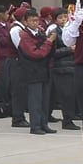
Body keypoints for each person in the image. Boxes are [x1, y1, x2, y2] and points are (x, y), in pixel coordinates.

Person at [13, 7, 56, 135]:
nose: (35, 23)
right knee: (35, 100)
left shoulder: (40, 32)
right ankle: (35, 125)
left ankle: (44, 123)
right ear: (25, 22)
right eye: (31, 21)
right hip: (32, 71)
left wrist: (50, 41)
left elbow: (49, 52)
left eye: (36, 20)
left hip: (44, 70)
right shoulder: (24, 35)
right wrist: (48, 42)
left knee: (44, 99)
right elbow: (35, 53)